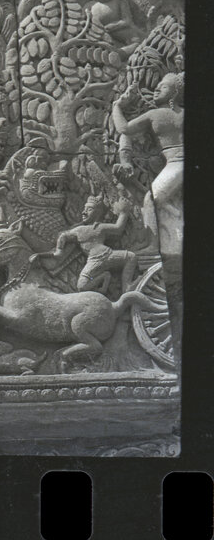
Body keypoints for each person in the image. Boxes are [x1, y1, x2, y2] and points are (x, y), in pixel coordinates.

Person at [111, 71, 184, 364]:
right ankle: (171, 239)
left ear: (174, 93)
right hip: (181, 167)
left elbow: (125, 128)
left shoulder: (158, 115)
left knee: (150, 199)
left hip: (177, 165)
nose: (156, 91)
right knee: (169, 207)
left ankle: (155, 247)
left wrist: (117, 105)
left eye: (162, 87)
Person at [47, 196, 137, 294]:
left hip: (109, 254)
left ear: (98, 212)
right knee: (81, 286)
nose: (84, 212)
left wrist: (124, 212)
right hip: (94, 260)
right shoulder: (79, 230)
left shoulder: (100, 227)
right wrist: (59, 250)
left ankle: (127, 287)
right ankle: (105, 277)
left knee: (131, 257)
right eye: (84, 209)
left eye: (89, 209)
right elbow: (63, 236)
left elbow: (118, 228)